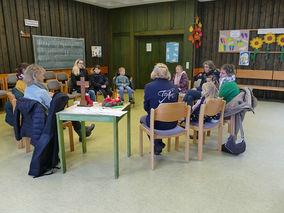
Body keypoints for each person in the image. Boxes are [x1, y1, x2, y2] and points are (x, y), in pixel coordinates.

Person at [23, 64, 95, 142]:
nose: (44, 77)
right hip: (47, 119)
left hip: (34, 118)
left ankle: (83, 131)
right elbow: (52, 106)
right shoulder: (42, 92)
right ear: (35, 76)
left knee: (67, 112)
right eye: (42, 75)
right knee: (69, 113)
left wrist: (48, 94)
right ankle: (83, 132)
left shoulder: (28, 88)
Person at [140, 63, 179, 155]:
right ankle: (158, 143)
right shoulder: (175, 87)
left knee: (143, 119)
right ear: (167, 73)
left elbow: (146, 107)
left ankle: (157, 144)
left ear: (155, 73)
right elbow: (175, 105)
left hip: (156, 124)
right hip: (172, 123)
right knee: (154, 118)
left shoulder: (149, 86)